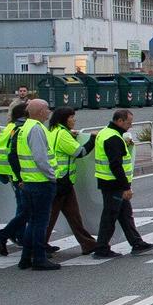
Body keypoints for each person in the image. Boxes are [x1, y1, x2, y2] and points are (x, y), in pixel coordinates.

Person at [89, 109, 153, 256]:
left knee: (125, 214)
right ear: (119, 121)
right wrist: (125, 187)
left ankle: (136, 243)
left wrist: (128, 145)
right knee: (110, 216)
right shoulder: (113, 138)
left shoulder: (106, 132)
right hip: (114, 184)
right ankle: (101, 248)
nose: (130, 126)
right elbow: (116, 165)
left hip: (108, 182)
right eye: (128, 123)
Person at [11, 98, 62, 271]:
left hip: (29, 181)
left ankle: (26, 258)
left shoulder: (24, 127)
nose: (49, 112)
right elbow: (41, 158)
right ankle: (39, 258)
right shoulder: (36, 129)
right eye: (47, 109)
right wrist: (52, 176)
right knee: (40, 222)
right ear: (40, 111)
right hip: (41, 182)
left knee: (33, 221)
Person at [42, 105, 98, 255]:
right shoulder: (62, 134)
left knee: (73, 215)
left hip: (60, 180)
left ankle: (88, 244)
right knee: (51, 216)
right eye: (71, 117)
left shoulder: (53, 131)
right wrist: (92, 138)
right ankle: (39, 246)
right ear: (64, 119)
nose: (74, 120)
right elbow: (80, 152)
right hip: (62, 180)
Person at [0, 101, 29, 256]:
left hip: (12, 174)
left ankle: (17, 235)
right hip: (20, 175)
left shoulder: (10, 128)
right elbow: (13, 154)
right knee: (25, 209)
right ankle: (9, 235)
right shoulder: (19, 128)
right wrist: (19, 177)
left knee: (24, 208)